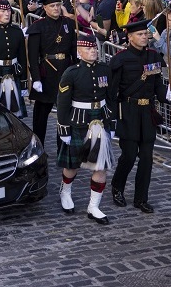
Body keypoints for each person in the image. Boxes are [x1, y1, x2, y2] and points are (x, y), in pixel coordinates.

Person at [109, 19, 171, 214]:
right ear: (130, 38)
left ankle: (141, 198)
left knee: (146, 158)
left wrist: (167, 96)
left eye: (146, 34)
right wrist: (112, 118)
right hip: (128, 112)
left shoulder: (153, 57)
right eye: (139, 34)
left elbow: (157, 84)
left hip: (147, 112)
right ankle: (117, 187)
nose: (144, 37)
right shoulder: (120, 59)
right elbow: (112, 92)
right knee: (129, 156)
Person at [56, 35, 116, 225]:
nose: (93, 51)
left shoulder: (105, 69)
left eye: (95, 49)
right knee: (72, 165)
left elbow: (111, 96)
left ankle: (94, 206)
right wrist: (64, 129)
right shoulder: (71, 73)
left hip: (100, 120)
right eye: (89, 49)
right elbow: (63, 103)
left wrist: (112, 123)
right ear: (79, 52)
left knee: (100, 166)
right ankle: (65, 192)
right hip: (78, 122)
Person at [27, 0, 78, 146]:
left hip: (66, 71)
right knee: (41, 114)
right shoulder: (38, 27)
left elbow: (74, 50)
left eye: (58, 5)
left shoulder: (68, 23)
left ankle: (63, 147)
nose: (56, 8)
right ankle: (39, 144)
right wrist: (36, 78)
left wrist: (77, 71)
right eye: (52, 6)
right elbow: (33, 56)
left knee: (65, 113)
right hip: (47, 72)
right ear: (45, 8)